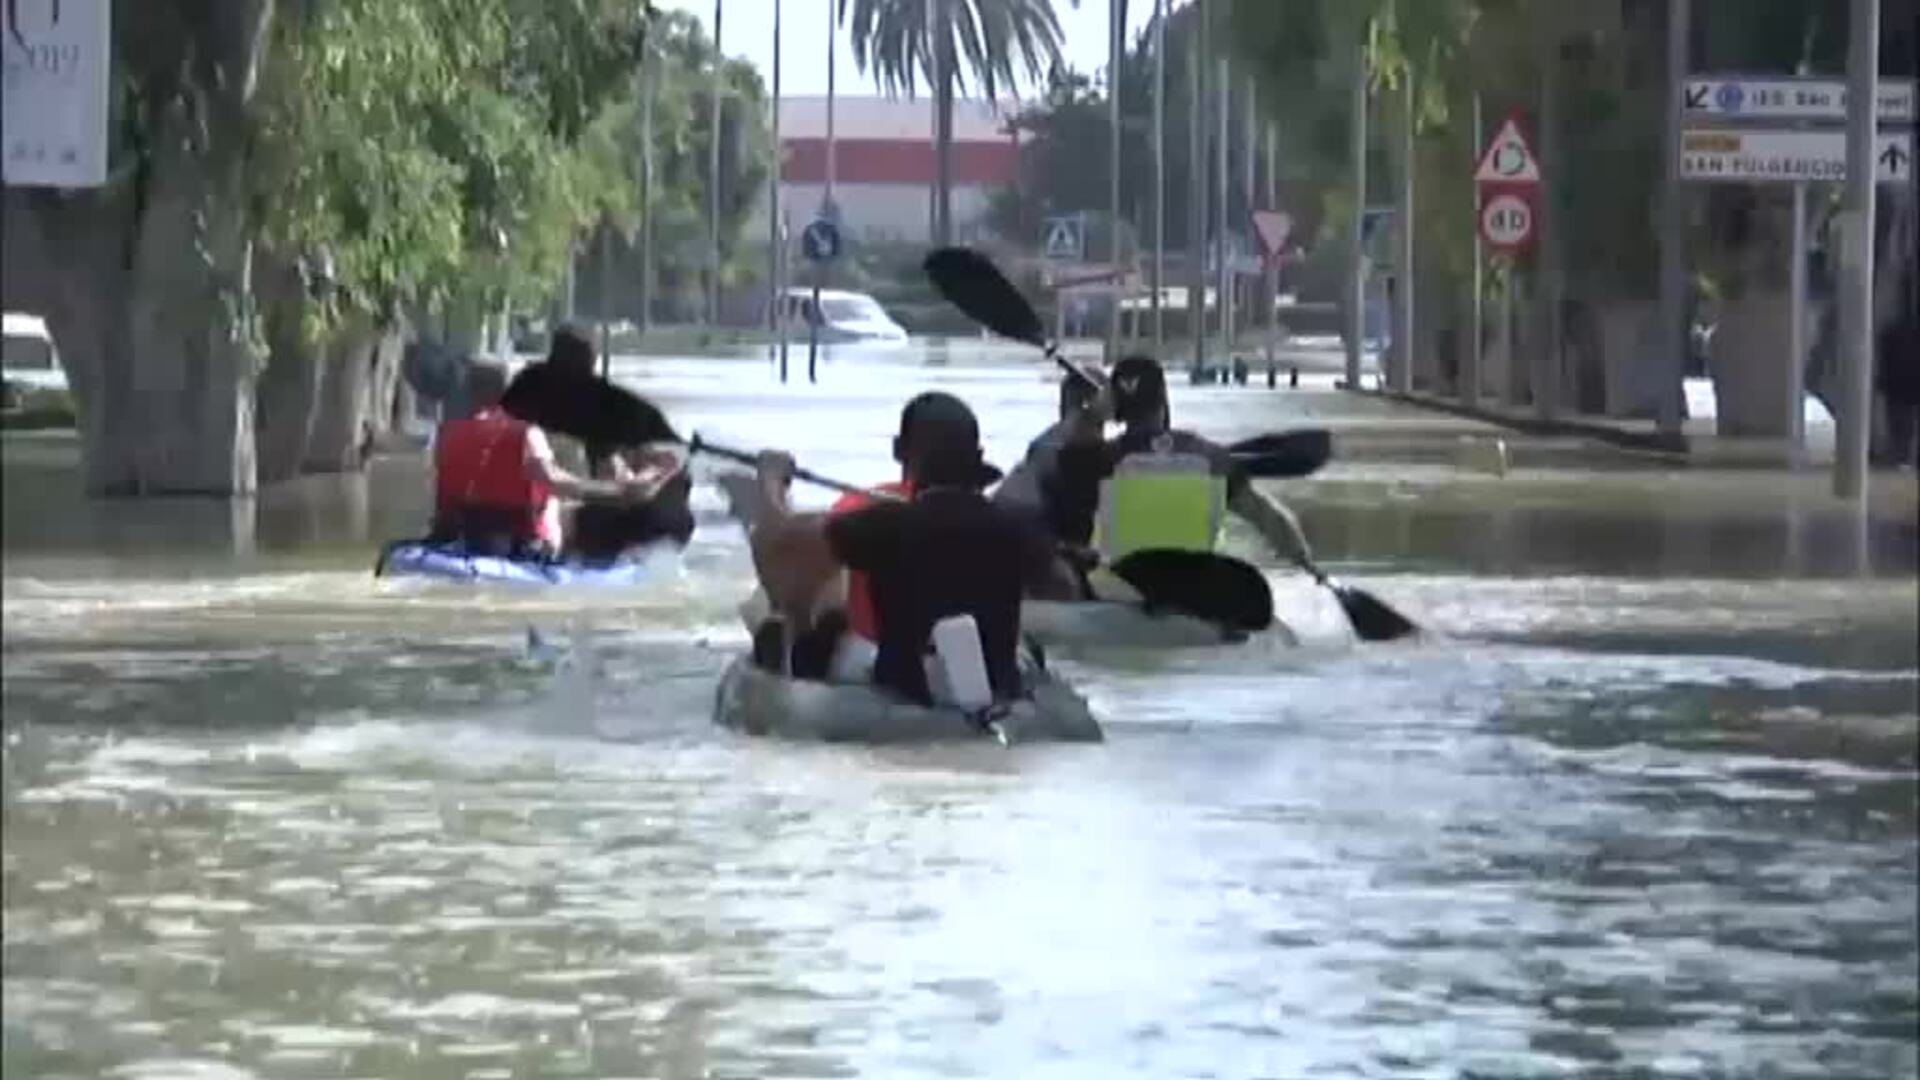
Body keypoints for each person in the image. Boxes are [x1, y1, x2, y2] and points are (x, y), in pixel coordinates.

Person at [745, 392, 1066, 706]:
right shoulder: (1021, 530)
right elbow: (1059, 582)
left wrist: (770, 481)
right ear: (978, 454)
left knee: (823, 629)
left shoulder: (883, 525)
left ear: (900, 451)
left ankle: (788, 660)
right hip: (998, 690)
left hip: (904, 698)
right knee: (1026, 649)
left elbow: (775, 544)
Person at [1037, 355, 1315, 595]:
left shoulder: (1097, 461)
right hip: (1197, 589)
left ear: (1115, 408)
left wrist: (1093, 414)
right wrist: (1307, 564)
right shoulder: (1210, 458)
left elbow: (1052, 518)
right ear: (1164, 403)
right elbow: (1269, 516)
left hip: (1123, 590)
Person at [428, 360, 656, 558]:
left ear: (467, 390)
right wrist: (616, 492)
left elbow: (443, 495)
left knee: (557, 503)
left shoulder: (445, 433)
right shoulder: (526, 432)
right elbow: (555, 481)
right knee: (559, 504)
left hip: (463, 533)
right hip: (519, 542)